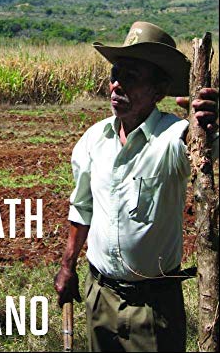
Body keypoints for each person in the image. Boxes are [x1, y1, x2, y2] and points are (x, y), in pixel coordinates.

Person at [54, 21, 218, 352]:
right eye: (115, 74)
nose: (117, 85)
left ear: (158, 92)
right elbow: (82, 208)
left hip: (153, 305)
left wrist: (208, 126)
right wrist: (68, 266)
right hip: (100, 294)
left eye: (131, 78)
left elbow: (200, 147)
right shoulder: (94, 139)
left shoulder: (172, 136)